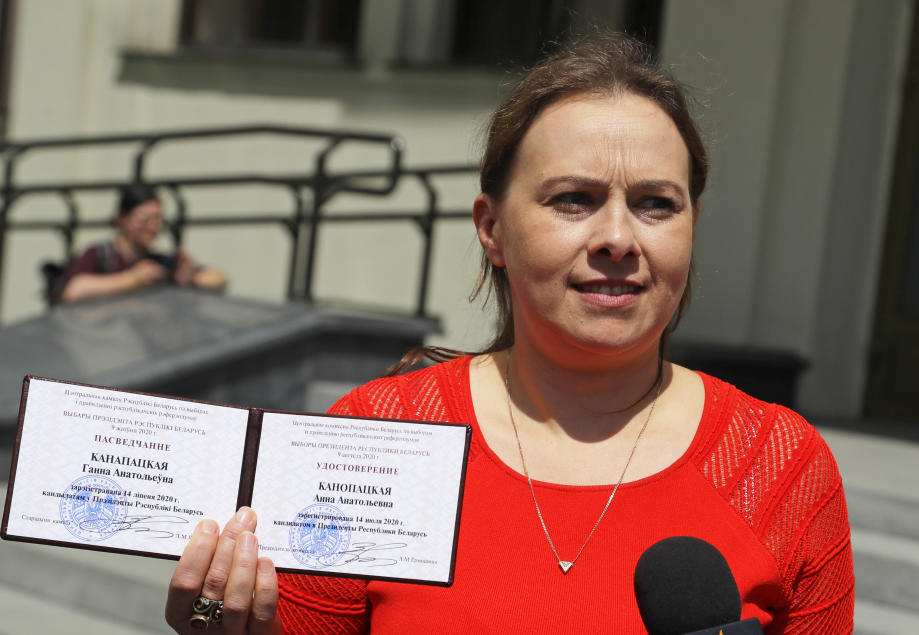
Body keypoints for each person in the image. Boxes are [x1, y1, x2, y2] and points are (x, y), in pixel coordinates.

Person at [165, 31, 854, 634]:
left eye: (654, 204)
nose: (617, 237)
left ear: (692, 227)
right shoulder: (376, 440)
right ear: (492, 229)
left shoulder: (784, 468)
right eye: (574, 199)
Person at [56, 183, 227, 303]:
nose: (153, 227)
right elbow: (74, 291)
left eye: (158, 219)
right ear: (122, 220)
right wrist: (132, 280)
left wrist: (191, 280)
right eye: (145, 220)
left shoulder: (160, 262)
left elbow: (220, 279)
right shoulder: (100, 255)